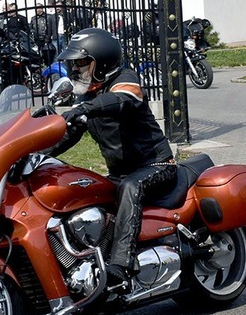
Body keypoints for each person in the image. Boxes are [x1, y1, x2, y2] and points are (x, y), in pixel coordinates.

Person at [49, 27, 177, 288]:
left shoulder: (125, 80)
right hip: (119, 174)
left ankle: (120, 265)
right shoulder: (89, 94)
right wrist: (34, 153)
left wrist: (84, 107)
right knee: (84, 191)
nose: (75, 70)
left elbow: (122, 99)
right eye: (73, 64)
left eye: (82, 63)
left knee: (131, 187)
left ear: (102, 62)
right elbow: (69, 136)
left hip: (156, 165)